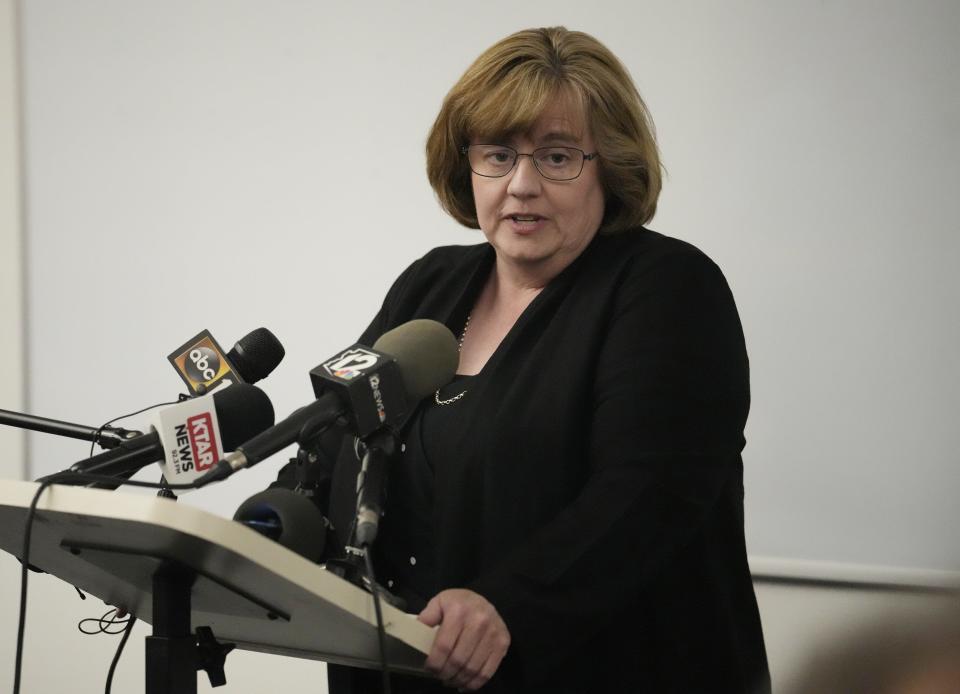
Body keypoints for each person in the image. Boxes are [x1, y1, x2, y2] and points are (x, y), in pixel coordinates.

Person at [294, 26, 770, 693]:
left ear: (610, 164)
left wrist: (506, 604)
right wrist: (260, 531)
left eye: (556, 157)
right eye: (497, 155)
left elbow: (649, 494)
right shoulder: (429, 285)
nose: (521, 185)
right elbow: (334, 435)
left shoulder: (666, 288)